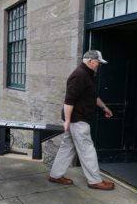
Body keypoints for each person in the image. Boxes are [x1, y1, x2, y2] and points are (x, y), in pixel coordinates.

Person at [49, 50, 115, 190]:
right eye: (98, 62)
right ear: (90, 60)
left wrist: (104, 107)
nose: (99, 65)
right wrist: (67, 120)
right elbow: (69, 100)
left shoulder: (87, 75)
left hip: (76, 119)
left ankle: (55, 175)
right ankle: (95, 181)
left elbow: (92, 96)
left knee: (67, 147)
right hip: (77, 120)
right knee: (87, 150)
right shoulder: (80, 75)